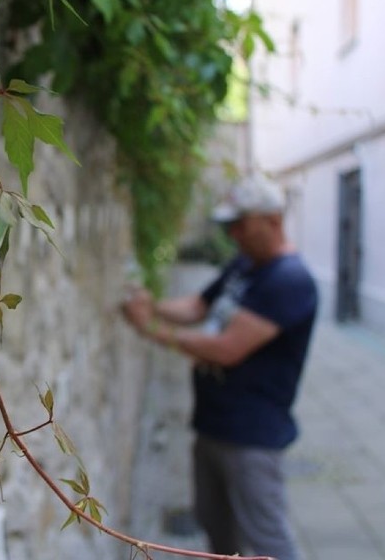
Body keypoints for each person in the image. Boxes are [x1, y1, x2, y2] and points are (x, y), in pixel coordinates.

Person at [121, 177, 318, 560]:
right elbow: (198, 306)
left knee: (269, 543)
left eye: (241, 224)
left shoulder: (289, 280)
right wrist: (153, 306)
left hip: (251, 437)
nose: (234, 234)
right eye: (230, 225)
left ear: (274, 220)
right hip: (213, 425)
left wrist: (150, 328)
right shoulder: (246, 266)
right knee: (217, 530)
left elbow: (227, 349)